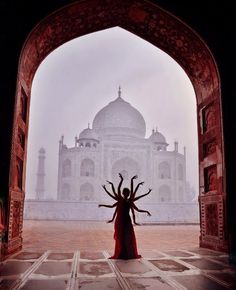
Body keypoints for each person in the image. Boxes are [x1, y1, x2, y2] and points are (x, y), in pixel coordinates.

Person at [99, 173, 152, 259]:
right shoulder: (121, 200)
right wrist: (121, 180)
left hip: (126, 220)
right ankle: (122, 253)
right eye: (125, 192)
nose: (126, 193)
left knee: (128, 237)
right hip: (121, 220)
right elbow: (114, 202)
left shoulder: (129, 200)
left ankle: (127, 253)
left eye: (127, 192)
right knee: (121, 237)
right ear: (124, 193)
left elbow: (136, 210)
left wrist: (146, 211)